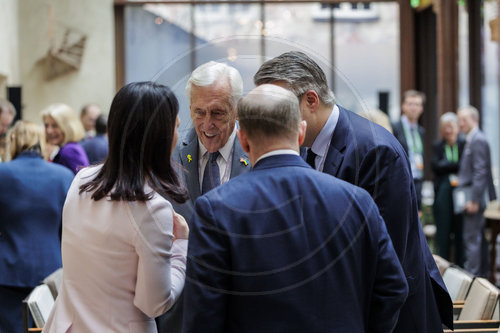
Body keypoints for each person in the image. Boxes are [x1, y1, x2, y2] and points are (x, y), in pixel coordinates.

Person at [183, 84, 409, 333]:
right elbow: (393, 288)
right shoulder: (357, 201)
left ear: (243, 139)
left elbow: (203, 316)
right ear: (301, 133)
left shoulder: (215, 209)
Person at [254, 51, 453, 332]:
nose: (272, 119)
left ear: (310, 100)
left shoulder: (375, 151)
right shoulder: (303, 147)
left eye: (279, 109)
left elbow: (388, 266)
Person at [43, 82, 190, 333]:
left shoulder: (82, 180)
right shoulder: (152, 209)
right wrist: (180, 245)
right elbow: (155, 303)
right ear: (161, 135)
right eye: (175, 127)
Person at [157, 61, 250, 333]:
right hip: (180, 314)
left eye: (218, 113)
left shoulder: (257, 155)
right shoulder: (167, 156)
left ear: (237, 109)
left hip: (240, 310)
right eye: (199, 112)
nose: (207, 124)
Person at [0, 121, 73, 333]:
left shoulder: (2, 173)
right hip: (51, 268)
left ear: (12, 141)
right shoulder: (63, 176)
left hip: (7, 270)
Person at [457, 106, 496, 277]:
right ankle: (482, 278)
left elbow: (481, 172)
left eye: (464, 120)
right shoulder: (471, 139)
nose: (460, 124)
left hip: (473, 199)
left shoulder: (477, 140)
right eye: (460, 120)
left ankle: (473, 281)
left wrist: (473, 199)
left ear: (475, 120)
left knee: (472, 240)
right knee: (478, 240)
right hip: (473, 197)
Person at [431, 112, 465, 266]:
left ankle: (461, 267)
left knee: (460, 232)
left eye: (451, 127)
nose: (448, 131)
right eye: (445, 128)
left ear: (457, 128)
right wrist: (453, 166)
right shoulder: (438, 146)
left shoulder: (464, 144)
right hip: (443, 192)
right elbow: (435, 166)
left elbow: (464, 166)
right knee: (443, 233)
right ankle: (443, 267)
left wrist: (447, 165)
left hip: (460, 193)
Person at [392, 90, 426, 210]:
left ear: (421, 108)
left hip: (417, 180)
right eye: (410, 104)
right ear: (403, 106)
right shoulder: (394, 127)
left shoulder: (421, 131)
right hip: (401, 181)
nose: (413, 108)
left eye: (417, 104)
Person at [42, 103, 90, 174]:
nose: (49, 131)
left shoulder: (70, 151)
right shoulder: (68, 148)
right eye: (46, 126)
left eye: (55, 126)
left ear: (68, 128)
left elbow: (83, 181)